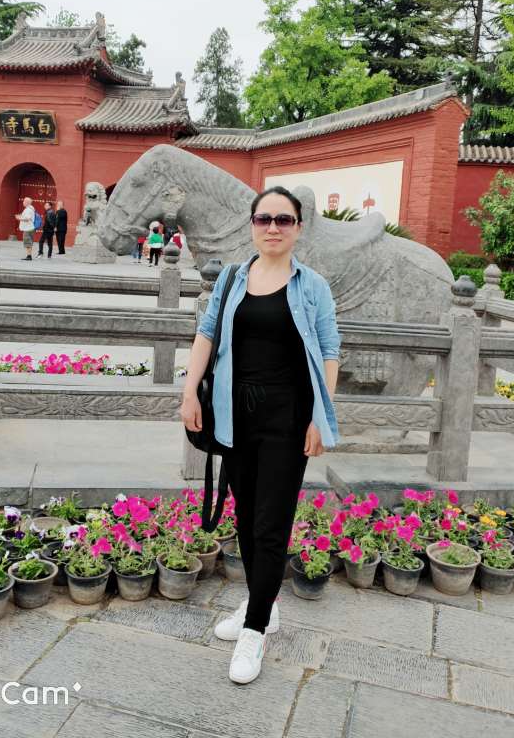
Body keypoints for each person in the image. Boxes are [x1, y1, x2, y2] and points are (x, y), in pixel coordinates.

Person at [180, 186, 340, 685]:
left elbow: (330, 350)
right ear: (251, 225)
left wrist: (320, 418)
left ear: (298, 228)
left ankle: (254, 631)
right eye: (264, 218)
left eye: (284, 219)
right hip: (235, 416)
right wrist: (189, 393)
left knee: (271, 525)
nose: (273, 227)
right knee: (247, 519)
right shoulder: (232, 278)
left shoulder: (312, 286)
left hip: (288, 420)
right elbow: (207, 333)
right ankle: (263, 605)